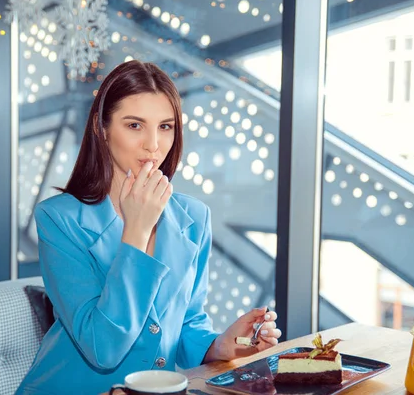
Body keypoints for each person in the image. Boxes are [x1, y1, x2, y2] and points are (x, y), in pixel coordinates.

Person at [16, 60, 282, 394]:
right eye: (135, 125)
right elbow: (103, 349)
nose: (153, 144)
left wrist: (222, 345)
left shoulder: (194, 217)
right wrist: (137, 231)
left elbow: (186, 322)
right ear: (102, 128)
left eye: (166, 126)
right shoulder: (59, 220)